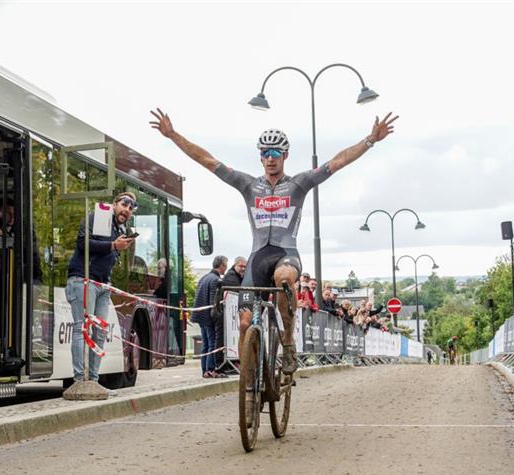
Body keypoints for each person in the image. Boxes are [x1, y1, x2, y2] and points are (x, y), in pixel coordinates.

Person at [150, 108, 398, 377]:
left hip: (285, 253)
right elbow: (209, 161)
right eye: (265, 152)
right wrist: (173, 135)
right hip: (257, 256)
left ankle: (288, 341)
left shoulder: (298, 184)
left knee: (283, 278)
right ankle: (250, 379)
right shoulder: (248, 185)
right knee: (244, 323)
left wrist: (370, 140)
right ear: (260, 156)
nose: (270, 158)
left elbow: (336, 163)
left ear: (285, 155)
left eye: (275, 153)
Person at [65, 192, 137, 385]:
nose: (127, 209)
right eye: (124, 204)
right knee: (82, 328)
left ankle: (93, 381)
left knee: (100, 331)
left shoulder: (120, 228)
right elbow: (83, 243)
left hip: (103, 284)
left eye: (131, 208)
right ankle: (80, 380)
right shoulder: (100, 218)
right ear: (114, 204)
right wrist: (113, 245)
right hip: (84, 279)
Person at [191, 255, 228, 378]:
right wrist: (218, 316)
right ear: (221, 265)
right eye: (225, 265)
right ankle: (211, 369)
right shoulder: (215, 280)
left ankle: (204, 370)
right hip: (208, 317)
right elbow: (214, 302)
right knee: (212, 343)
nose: (226, 268)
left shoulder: (204, 278)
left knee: (205, 344)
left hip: (200, 315)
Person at [214, 256, 246, 373]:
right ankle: (221, 364)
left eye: (245, 267)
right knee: (221, 338)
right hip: (223, 313)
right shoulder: (231, 277)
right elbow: (238, 291)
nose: (243, 268)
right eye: (241, 266)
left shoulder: (240, 276)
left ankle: (231, 362)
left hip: (230, 314)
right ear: (235, 265)